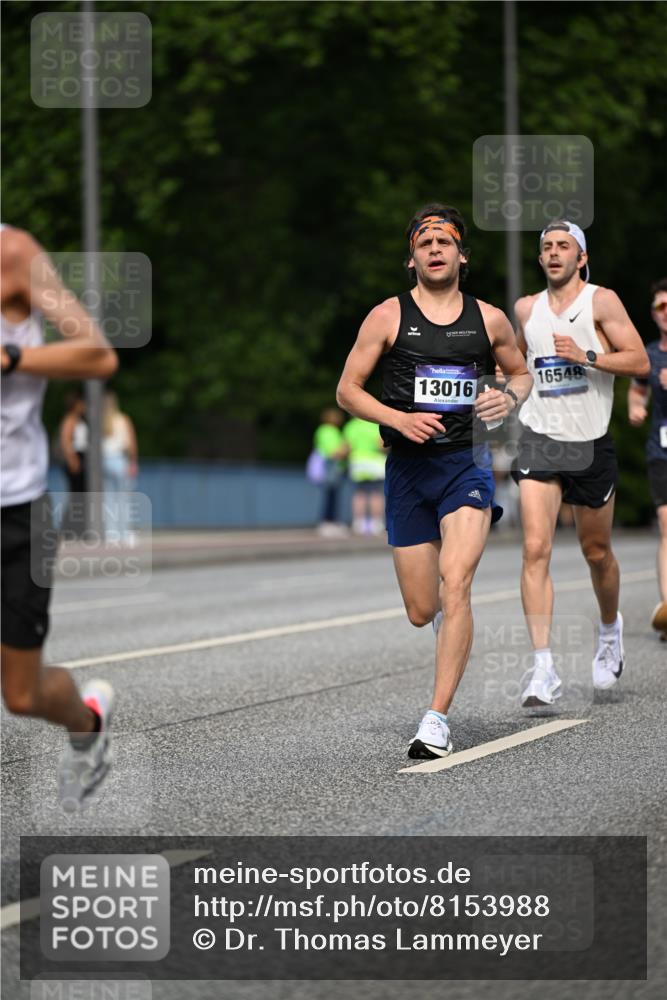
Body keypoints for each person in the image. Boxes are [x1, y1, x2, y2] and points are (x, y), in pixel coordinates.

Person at [337, 204, 532, 759]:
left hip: (465, 464)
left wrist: (508, 396)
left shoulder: (488, 319)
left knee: (457, 583)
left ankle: (435, 720)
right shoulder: (386, 317)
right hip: (406, 471)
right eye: (425, 242)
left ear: (461, 254)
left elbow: (520, 372)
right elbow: (347, 390)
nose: (435, 248)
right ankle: (451, 629)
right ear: (412, 259)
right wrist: (396, 419)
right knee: (423, 608)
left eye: (445, 240)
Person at [1, 224, 118, 809]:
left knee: (20, 695)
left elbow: (98, 354)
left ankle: (88, 727)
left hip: (14, 504)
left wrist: (14, 355)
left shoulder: (14, 253)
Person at [512, 220, 650, 705]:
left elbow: (639, 361)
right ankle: (543, 667)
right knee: (535, 549)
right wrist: (506, 392)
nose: (553, 253)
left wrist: (589, 354)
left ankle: (610, 629)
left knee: (597, 553)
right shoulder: (525, 308)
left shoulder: (602, 301)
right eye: (546, 247)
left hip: (590, 443)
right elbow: (523, 371)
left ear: (581, 257)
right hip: (541, 439)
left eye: (563, 246)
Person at [627, 277, 667, 639]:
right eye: (660, 307)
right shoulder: (650, 355)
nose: (666, 313)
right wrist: (636, 408)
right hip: (662, 449)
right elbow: (637, 392)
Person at [102, 389, 139, 545]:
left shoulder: (100, 421)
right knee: (124, 499)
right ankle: (126, 533)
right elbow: (131, 444)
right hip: (119, 459)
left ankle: (111, 534)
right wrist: (133, 461)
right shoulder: (123, 419)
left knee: (108, 499)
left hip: (103, 461)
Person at [342, 417, 387, 535]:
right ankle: (376, 523)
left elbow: (347, 447)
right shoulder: (376, 425)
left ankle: (358, 523)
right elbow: (381, 445)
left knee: (359, 493)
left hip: (358, 461)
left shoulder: (351, 426)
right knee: (376, 493)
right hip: (375, 461)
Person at [311, 407, 349, 537]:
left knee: (333, 495)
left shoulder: (330, 431)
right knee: (330, 495)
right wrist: (346, 449)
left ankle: (331, 522)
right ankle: (327, 522)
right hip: (330, 468)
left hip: (334, 468)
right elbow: (333, 453)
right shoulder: (327, 431)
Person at [58, 388, 88, 538]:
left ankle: (78, 528)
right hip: (75, 458)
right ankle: (70, 529)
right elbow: (65, 441)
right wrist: (73, 460)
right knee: (77, 495)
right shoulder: (70, 419)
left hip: (82, 457)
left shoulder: (81, 420)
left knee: (81, 496)